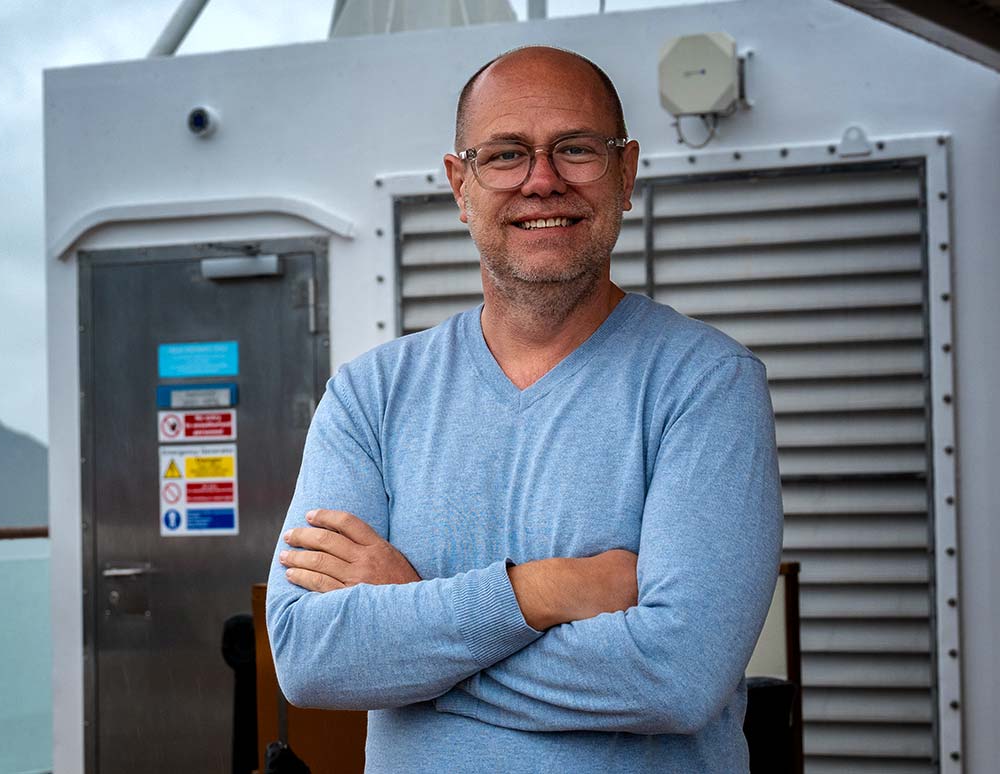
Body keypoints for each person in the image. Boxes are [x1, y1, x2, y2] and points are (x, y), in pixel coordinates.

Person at [266, 45, 783, 773]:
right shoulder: (368, 396)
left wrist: (414, 620)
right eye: (506, 155)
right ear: (460, 183)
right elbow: (311, 658)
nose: (542, 181)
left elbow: (679, 675)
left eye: (575, 149)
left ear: (626, 173)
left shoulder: (706, 385)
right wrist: (542, 591)